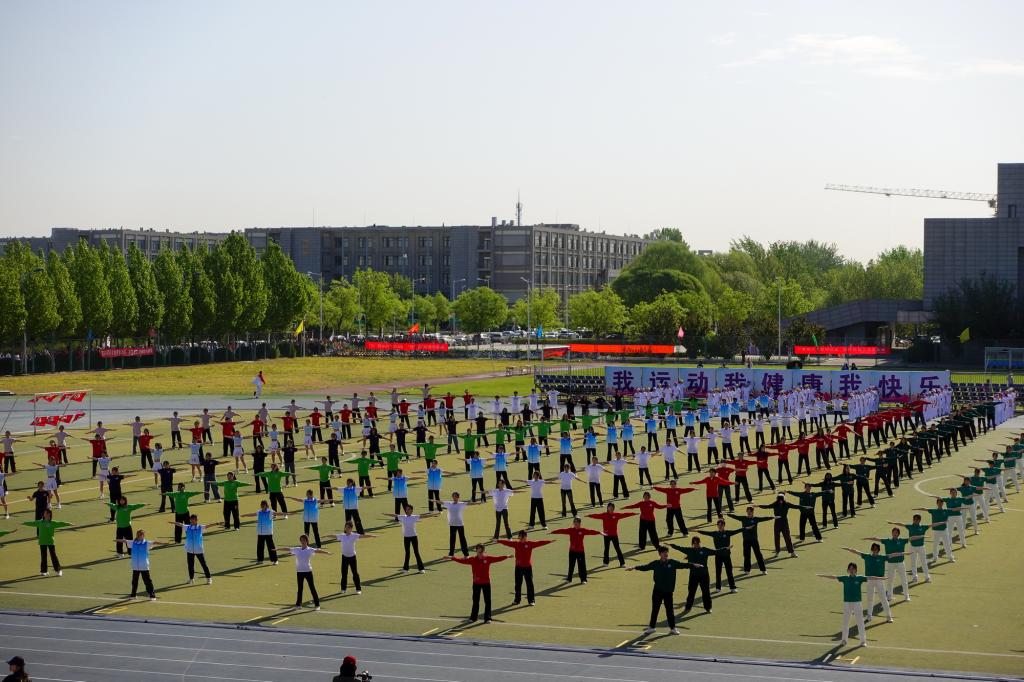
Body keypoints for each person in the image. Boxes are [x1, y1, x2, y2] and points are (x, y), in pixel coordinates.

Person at [627, 546, 694, 635]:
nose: (665, 554)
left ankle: (673, 628)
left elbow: (683, 565)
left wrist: (693, 565)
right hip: (657, 590)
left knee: (669, 611)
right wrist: (635, 567)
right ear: (660, 554)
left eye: (666, 552)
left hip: (668, 591)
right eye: (663, 552)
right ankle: (652, 627)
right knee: (655, 609)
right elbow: (646, 567)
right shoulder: (656, 563)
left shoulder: (672, 562)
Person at [448, 544, 511, 623]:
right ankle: (473, 618)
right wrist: (453, 558)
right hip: (476, 583)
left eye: (481, 552)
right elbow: (462, 561)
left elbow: (498, 558)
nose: (479, 553)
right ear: (476, 551)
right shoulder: (473, 559)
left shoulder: (488, 558)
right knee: (475, 601)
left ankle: (487, 618)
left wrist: (506, 556)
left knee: (487, 601)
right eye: (478, 551)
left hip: (486, 583)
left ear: (483, 551)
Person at [816, 563, 869, 647]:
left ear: (856, 570)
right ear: (848, 570)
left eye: (853, 569)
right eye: (850, 569)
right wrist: (823, 575)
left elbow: (870, 578)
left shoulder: (860, 578)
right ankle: (844, 640)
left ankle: (863, 641)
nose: (851, 570)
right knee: (845, 622)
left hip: (857, 603)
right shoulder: (845, 578)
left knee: (860, 622)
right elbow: (833, 577)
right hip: (847, 603)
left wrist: (881, 578)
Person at [498, 531, 553, 605]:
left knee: (529, 584)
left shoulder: (530, 544)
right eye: (519, 536)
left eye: (520, 536)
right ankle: (517, 600)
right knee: (518, 584)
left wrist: (549, 541)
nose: (519, 538)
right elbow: (507, 543)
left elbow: (539, 543)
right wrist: (498, 541)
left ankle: (531, 600)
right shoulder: (516, 544)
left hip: (527, 567)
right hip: (518, 567)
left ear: (525, 537)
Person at [842, 543, 893, 623]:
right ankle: (869, 616)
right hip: (869, 580)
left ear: (878, 550)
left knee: (883, 598)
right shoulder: (867, 556)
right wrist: (848, 549)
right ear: (871, 549)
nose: (874, 551)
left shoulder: (882, 557)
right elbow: (856, 552)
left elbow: (892, 555)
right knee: (870, 599)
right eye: (873, 549)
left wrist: (903, 553)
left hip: (879, 580)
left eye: (876, 549)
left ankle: (889, 616)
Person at [670, 536, 721, 615]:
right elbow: (679, 548)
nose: (696, 544)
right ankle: (688, 607)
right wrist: (672, 545)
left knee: (706, 592)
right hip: (693, 575)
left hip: (704, 575)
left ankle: (708, 607)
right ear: (692, 543)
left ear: (700, 542)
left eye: (697, 543)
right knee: (691, 592)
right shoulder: (689, 550)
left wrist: (725, 549)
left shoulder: (705, 550)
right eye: (694, 543)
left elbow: (716, 551)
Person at [172, 514, 222, 584]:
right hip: (189, 550)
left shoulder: (200, 527)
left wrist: (217, 523)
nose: (192, 521)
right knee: (190, 565)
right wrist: (173, 522)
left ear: (196, 520)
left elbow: (208, 525)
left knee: (204, 564)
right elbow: (180, 524)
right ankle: (191, 579)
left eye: (194, 520)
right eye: (191, 520)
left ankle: (209, 578)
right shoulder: (187, 527)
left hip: (199, 550)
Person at [117, 529, 165, 600]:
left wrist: (163, 543)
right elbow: (125, 541)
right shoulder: (133, 543)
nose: (138, 536)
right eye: (138, 534)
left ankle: (152, 595)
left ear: (143, 536)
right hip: (135, 566)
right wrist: (117, 540)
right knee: (134, 582)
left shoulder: (146, 543)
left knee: (147, 581)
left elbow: (155, 542)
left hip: (144, 566)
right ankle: (133, 595)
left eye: (140, 534)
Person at [697, 519, 743, 593]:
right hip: (718, 555)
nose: (720, 526)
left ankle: (732, 587)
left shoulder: (727, 533)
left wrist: (745, 528)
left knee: (729, 572)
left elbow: (737, 531)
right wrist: (698, 531)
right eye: (718, 525)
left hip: (727, 556)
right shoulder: (714, 533)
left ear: (724, 525)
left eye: (721, 525)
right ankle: (718, 587)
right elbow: (706, 533)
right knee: (718, 572)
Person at [551, 517, 601, 584]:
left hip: (580, 551)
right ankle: (569, 579)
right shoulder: (571, 530)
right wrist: (554, 532)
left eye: (577, 522)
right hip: (572, 551)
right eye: (574, 522)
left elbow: (591, 531)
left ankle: (583, 579)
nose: (575, 523)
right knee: (571, 565)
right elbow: (562, 530)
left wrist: (599, 532)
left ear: (579, 523)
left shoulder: (583, 530)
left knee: (581, 566)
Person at [286, 534, 330, 610]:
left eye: (304, 540)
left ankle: (317, 605)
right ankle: (298, 604)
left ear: (307, 541)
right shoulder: (297, 549)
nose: (302, 541)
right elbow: (288, 549)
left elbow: (318, 551)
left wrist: (327, 553)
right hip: (299, 572)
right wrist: (277, 549)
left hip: (308, 571)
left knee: (312, 588)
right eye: (301, 540)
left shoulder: (310, 549)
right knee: (300, 589)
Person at [727, 506, 774, 574]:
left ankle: (763, 570)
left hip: (754, 540)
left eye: (750, 511)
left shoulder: (755, 519)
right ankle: (747, 570)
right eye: (748, 511)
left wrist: (772, 517)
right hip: (746, 540)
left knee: (758, 555)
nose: (749, 513)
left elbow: (764, 518)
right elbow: (735, 516)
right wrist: (728, 514)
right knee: (746, 555)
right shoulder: (743, 518)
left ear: (752, 512)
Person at [586, 502, 636, 567]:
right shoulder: (604, 515)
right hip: (606, 535)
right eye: (610, 507)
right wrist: (589, 515)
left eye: (612, 507)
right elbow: (596, 516)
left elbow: (625, 515)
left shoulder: (616, 515)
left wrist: (633, 513)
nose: (611, 508)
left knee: (617, 549)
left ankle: (622, 563)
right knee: (606, 549)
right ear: (607, 508)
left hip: (614, 535)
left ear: (613, 508)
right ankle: (605, 563)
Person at [23, 509, 70, 576]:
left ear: (49, 514)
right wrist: (24, 523)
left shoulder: (52, 523)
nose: (44, 514)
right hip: (42, 542)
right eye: (44, 513)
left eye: (45, 513)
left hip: (50, 541)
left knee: (53, 556)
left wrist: (68, 524)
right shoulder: (40, 522)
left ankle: (58, 570)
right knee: (43, 556)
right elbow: (32, 523)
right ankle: (44, 571)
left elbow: (61, 523)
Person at [336, 522, 375, 594]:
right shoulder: (342, 536)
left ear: (351, 528)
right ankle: (343, 589)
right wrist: (326, 536)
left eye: (348, 527)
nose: (347, 529)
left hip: (352, 557)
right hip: (344, 557)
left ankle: (358, 589)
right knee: (344, 574)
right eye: (346, 527)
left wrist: (371, 536)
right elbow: (334, 536)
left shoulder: (354, 535)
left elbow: (363, 536)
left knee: (355, 573)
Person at [242, 500, 284, 565]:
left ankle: (275, 560)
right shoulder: (259, 512)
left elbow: (277, 513)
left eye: (263, 505)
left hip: (268, 533)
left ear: (266, 506)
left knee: (271, 547)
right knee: (260, 547)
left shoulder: (270, 512)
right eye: (261, 505)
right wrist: (245, 515)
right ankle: (260, 560)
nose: (262, 507)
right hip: (260, 533)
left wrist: (284, 513)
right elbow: (252, 514)